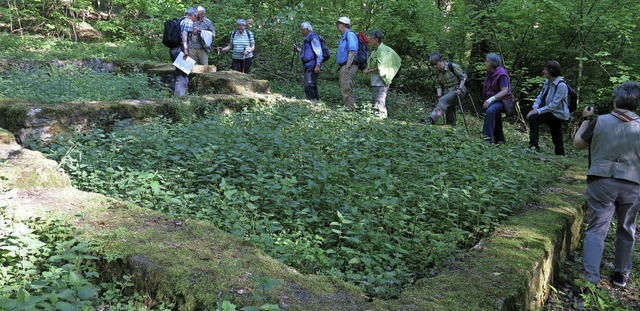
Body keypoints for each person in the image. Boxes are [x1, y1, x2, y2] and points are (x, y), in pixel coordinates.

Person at [573, 81, 640, 287]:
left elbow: (578, 144)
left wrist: (586, 120)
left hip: (601, 181)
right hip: (633, 183)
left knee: (596, 229)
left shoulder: (600, 121)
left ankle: (590, 278)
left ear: (615, 99)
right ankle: (621, 275)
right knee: (626, 228)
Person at [526, 61, 570, 155]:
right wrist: (535, 107)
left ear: (551, 71)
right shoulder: (547, 82)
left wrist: (537, 111)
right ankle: (534, 147)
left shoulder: (561, 85)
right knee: (553, 129)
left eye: (545, 69)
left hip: (558, 113)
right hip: (550, 111)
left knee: (555, 130)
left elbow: (553, 105)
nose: (543, 71)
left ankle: (559, 153)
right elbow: (540, 96)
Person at [363, 30, 401, 119]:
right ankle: (376, 121)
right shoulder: (375, 51)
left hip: (382, 81)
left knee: (379, 102)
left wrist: (369, 71)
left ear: (376, 39)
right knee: (375, 102)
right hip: (376, 80)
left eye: (371, 38)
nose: (369, 40)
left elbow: (382, 67)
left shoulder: (383, 51)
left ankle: (381, 121)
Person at [423, 53, 467, 126]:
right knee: (448, 106)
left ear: (440, 61)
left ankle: (431, 119)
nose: (435, 66)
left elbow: (463, 77)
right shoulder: (437, 72)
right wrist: (439, 95)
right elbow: (438, 85)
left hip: (458, 90)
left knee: (444, 100)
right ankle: (451, 126)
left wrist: (460, 88)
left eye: (436, 64)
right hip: (447, 91)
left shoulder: (452, 66)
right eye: (433, 65)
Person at [481, 53, 513, 144]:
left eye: (487, 61)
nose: (485, 63)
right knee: (496, 116)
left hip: (504, 101)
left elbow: (504, 91)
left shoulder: (501, 73)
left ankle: (487, 138)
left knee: (491, 111)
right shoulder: (489, 73)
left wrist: (489, 100)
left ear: (492, 63)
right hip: (495, 100)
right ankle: (500, 140)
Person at [170, 7, 197, 97]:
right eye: (195, 17)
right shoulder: (188, 21)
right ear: (192, 15)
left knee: (179, 71)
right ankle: (180, 96)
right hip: (180, 49)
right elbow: (184, 35)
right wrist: (185, 50)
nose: (195, 19)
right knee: (183, 72)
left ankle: (176, 94)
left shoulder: (180, 20)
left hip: (173, 49)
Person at [294, 22, 322, 100]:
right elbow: (307, 52)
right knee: (312, 83)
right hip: (308, 64)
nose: (301, 32)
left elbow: (318, 52)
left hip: (312, 64)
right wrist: (297, 49)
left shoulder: (313, 38)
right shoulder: (307, 39)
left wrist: (318, 65)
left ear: (307, 29)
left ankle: (311, 102)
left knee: (309, 84)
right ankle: (316, 101)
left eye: (302, 30)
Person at [335, 16, 359, 111]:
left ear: (344, 25)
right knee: (345, 87)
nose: (337, 26)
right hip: (345, 65)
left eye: (339, 24)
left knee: (346, 88)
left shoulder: (350, 35)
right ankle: (349, 108)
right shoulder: (344, 36)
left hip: (348, 65)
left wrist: (347, 66)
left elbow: (352, 51)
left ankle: (350, 110)